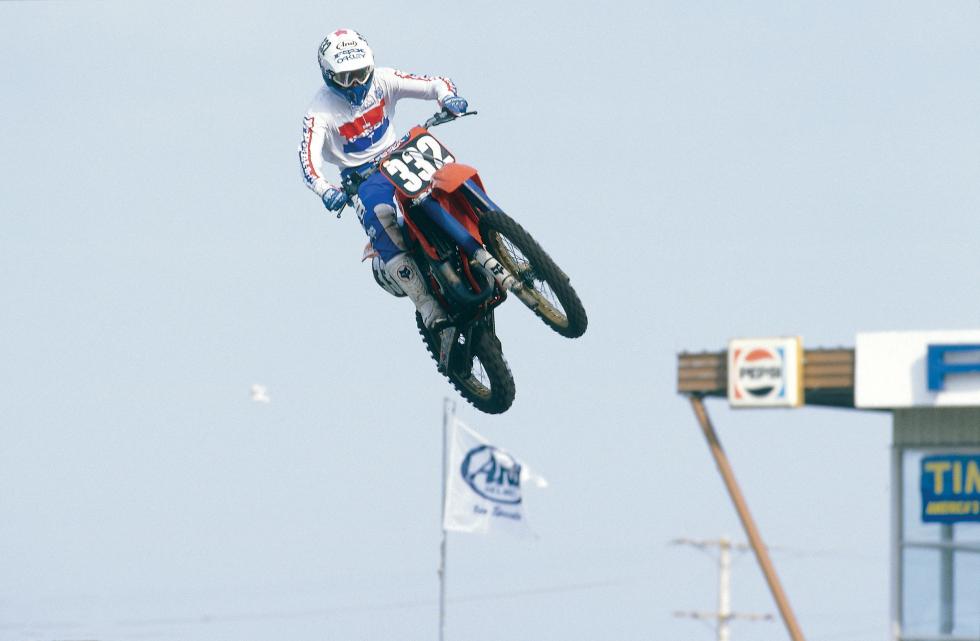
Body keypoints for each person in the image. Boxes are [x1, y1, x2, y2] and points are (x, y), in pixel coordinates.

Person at [298, 28, 469, 334]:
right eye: (346, 78)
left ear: (371, 65)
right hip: (362, 176)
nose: (357, 84)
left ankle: (483, 231)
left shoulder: (384, 79)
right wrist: (325, 190)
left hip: (401, 152)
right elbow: (308, 160)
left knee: (450, 177)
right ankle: (429, 308)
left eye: (362, 73)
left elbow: (434, 84)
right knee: (382, 222)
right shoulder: (318, 112)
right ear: (328, 76)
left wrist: (448, 98)